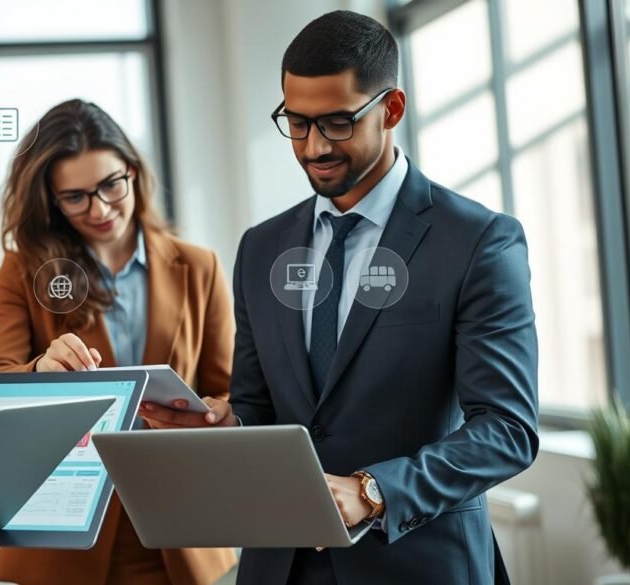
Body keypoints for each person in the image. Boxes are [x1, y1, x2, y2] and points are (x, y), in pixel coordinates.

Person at [140, 11, 539, 585]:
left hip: (418, 562)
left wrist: (375, 491)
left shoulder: (478, 241)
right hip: (279, 564)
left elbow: (506, 428)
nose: (313, 147)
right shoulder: (261, 248)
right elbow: (259, 406)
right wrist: (219, 427)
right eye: (296, 124)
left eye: (336, 123)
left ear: (392, 109)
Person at [0, 99, 238, 585]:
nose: (98, 209)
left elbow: (229, 392)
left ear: (134, 173)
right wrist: (40, 371)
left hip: (177, 529)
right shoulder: (23, 269)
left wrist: (210, 413)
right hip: (66, 533)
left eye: (110, 185)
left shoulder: (198, 266)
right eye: (74, 197)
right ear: (50, 200)